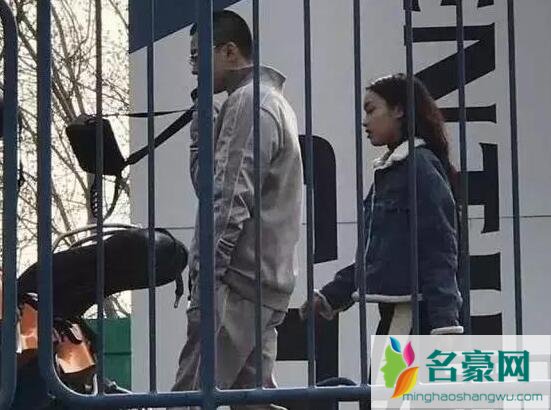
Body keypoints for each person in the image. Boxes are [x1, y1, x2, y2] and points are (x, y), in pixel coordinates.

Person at [171, 10, 302, 410]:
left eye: (198, 56)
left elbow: (228, 199)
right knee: (253, 400)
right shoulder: (268, 102)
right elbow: (210, 186)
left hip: (235, 283)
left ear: (229, 51)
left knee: (190, 397)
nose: (193, 68)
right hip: (262, 282)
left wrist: (206, 274)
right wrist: (202, 130)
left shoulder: (249, 103)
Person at [301, 73, 463, 336]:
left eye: (371, 110)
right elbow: (376, 255)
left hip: (412, 314)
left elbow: (440, 247)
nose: (365, 121)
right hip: (398, 313)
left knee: (390, 367)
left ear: (398, 110)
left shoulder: (419, 166)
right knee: (383, 366)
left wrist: (445, 324)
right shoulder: (394, 169)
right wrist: (332, 295)